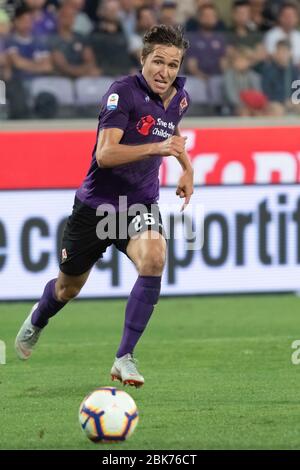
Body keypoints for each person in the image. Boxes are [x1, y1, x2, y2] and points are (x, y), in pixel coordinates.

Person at [15, 24, 194, 388]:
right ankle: (38, 317)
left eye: (173, 65)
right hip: (96, 208)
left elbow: (171, 134)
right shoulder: (121, 94)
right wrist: (156, 150)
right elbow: (106, 153)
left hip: (139, 203)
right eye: (158, 62)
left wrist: (186, 169)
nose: (165, 72)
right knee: (68, 289)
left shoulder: (179, 98)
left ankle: (124, 358)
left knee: (155, 257)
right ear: (143, 59)